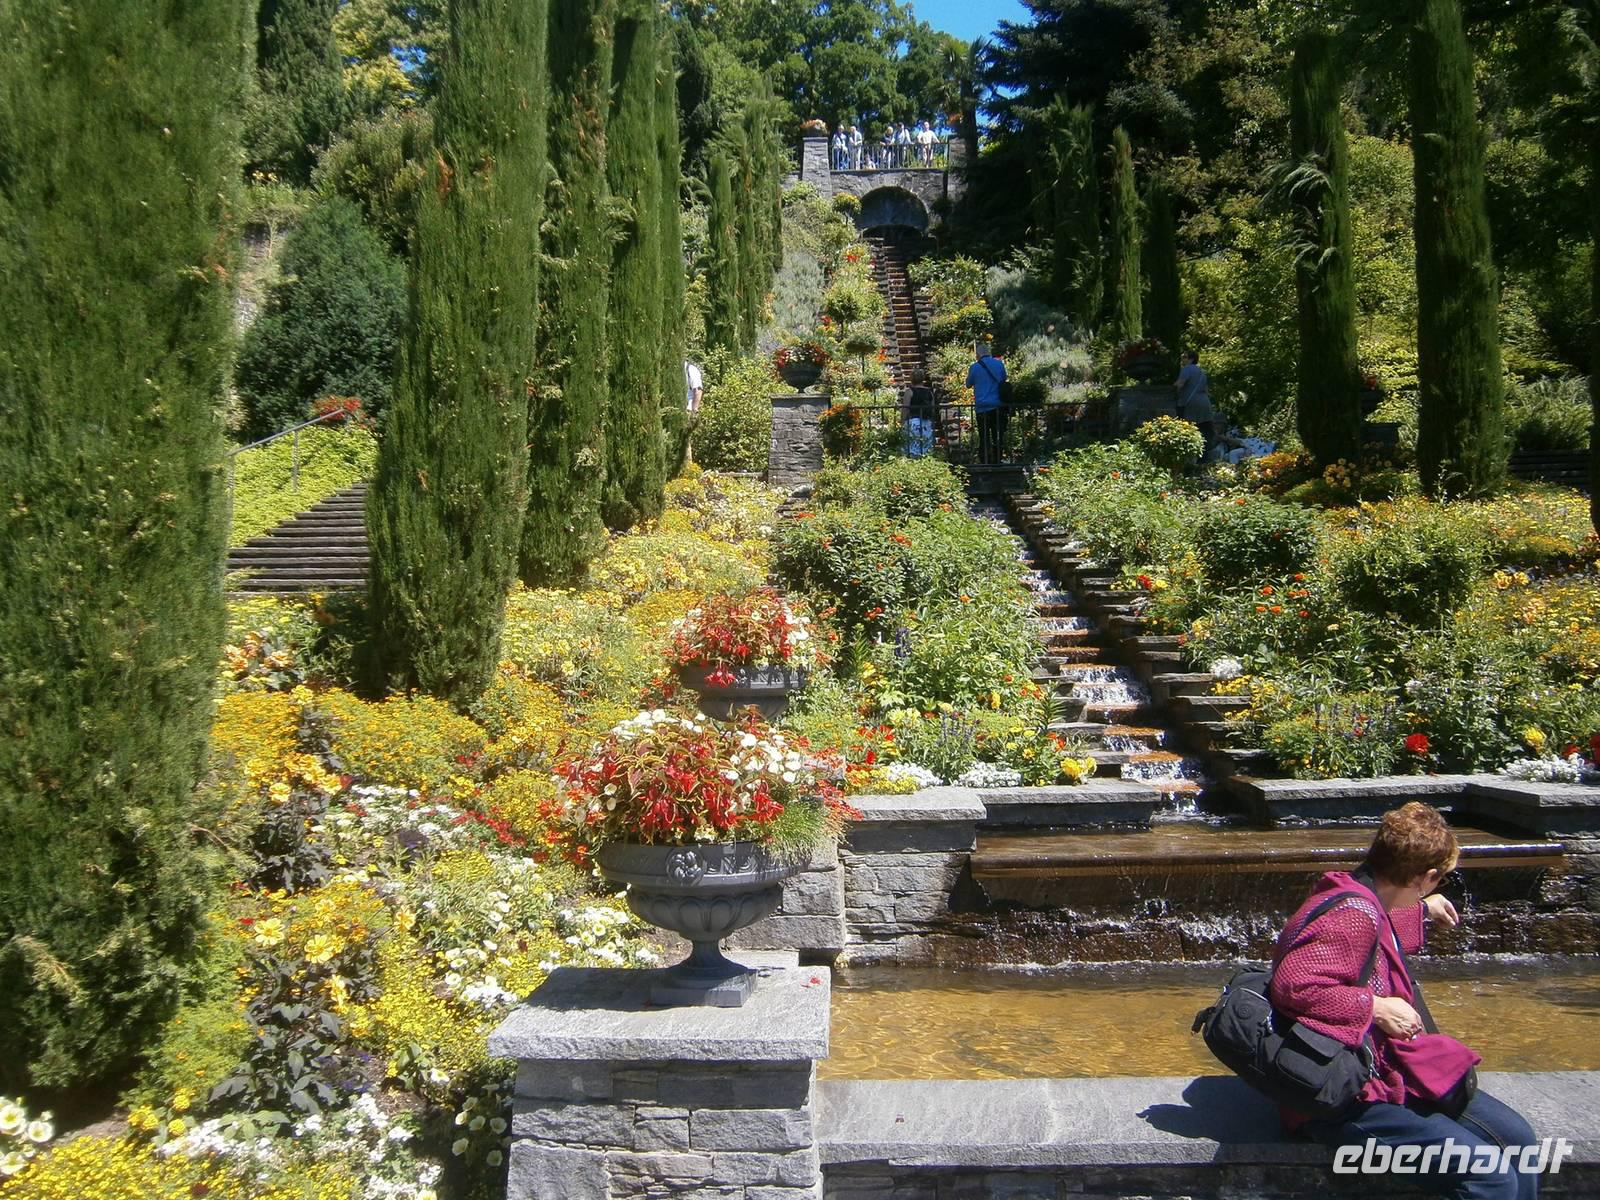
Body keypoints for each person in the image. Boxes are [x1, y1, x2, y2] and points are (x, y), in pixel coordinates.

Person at [1272, 802, 1540, 1200]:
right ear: (1427, 876)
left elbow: (1371, 930)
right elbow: (1293, 985)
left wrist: (1421, 910)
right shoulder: (1352, 913)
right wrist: (1375, 1007)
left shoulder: (1357, 892)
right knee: (1491, 1177)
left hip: (1386, 1074)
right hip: (1342, 1095)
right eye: (1439, 880)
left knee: (1519, 1142)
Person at [965, 341, 1007, 465]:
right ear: (989, 353)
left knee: (984, 436)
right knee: (997, 434)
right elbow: (1003, 379)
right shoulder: (999, 364)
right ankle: (998, 459)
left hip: (982, 407)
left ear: (978, 355)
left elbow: (968, 384)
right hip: (997, 406)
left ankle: (985, 461)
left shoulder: (975, 367)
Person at [902, 367, 936, 458]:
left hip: (913, 423)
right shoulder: (929, 392)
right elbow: (932, 408)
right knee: (925, 448)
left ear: (912, 378)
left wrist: (902, 421)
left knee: (912, 447)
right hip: (926, 422)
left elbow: (905, 408)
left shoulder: (909, 392)